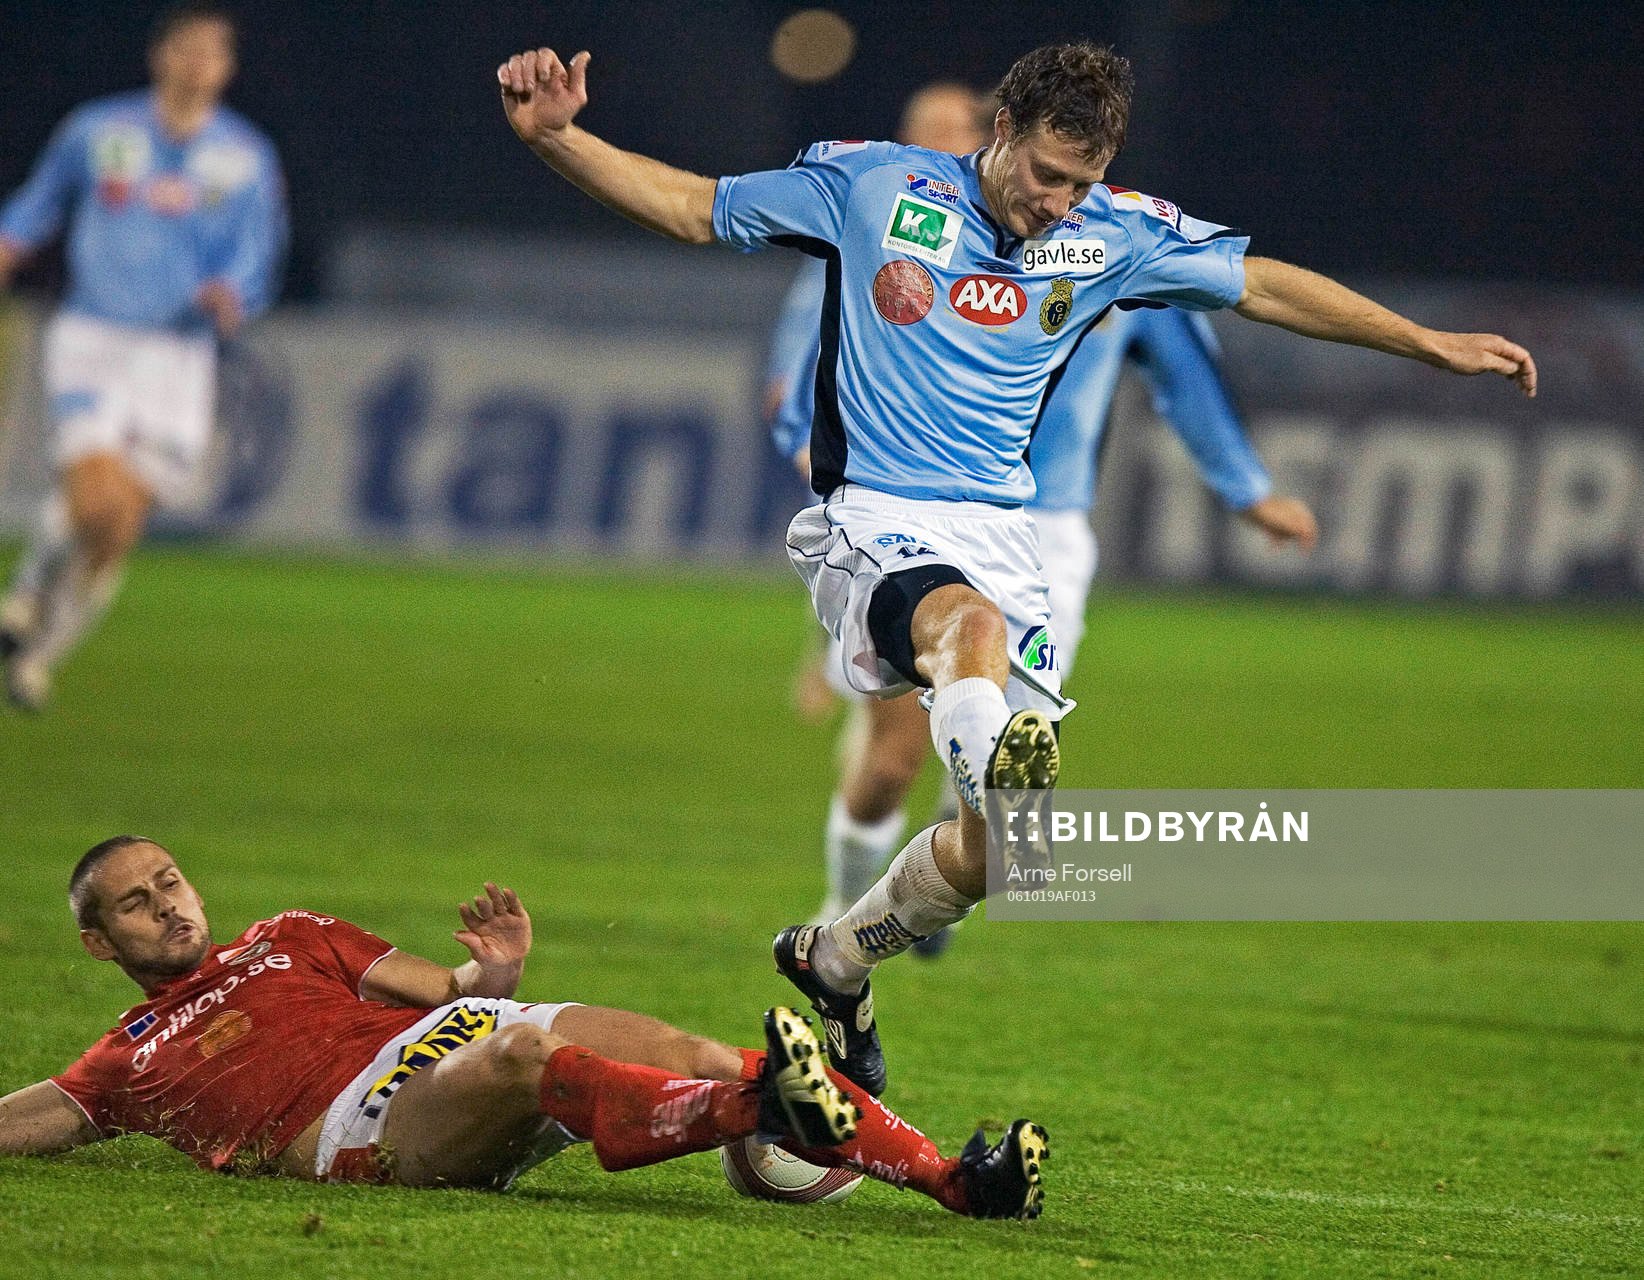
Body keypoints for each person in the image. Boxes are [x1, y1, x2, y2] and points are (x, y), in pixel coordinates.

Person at [495, 39, 1536, 1096]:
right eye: (1046, 174)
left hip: (1007, 536)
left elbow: (1260, 286)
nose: (1057, 202)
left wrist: (1428, 342)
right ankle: (985, 781)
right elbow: (693, 206)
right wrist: (557, 139)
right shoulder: (875, 187)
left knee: (1000, 855)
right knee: (971, 639)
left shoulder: (1112, 233)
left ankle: (836, 959)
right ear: (1001, 131)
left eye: (1081, 183)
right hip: (876, 519)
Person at [0, 836, 1049, 1220]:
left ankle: (961, 1182)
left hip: (445, 1036)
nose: (169, 905)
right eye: (136, 902)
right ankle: (760, 1109)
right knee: (521, 1056)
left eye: (170, 880)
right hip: (363, 1127)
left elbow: (443, 985)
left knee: (691, 1048)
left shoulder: (292, 934)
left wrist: (492, 970)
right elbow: (21, 1122)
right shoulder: (128, 1057)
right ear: (100, 942)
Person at [776, 301, 1319, 946]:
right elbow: (844, 311)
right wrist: (806, 431)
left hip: (1046, 533)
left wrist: (1249, 490)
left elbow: (1187, 371)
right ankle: (845, 906)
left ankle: (922, 879)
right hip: (922, 507)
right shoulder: (940, 243)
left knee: (1010, 791)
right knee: (893, 761)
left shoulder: (1124, 259)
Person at [0, 1, 287, 712]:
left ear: (228, 68)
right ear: (160, 54)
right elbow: (39, 202)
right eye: (186, 48)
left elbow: (258, 253)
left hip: (179, 357)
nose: (197, 64)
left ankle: (36, 650)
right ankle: (24, 602)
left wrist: (234, 293)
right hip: (93, 336)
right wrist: (10, 242)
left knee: (114, 527)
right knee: (93, 488)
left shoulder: (245, 158)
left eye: (211, 53)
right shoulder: (99, 131)